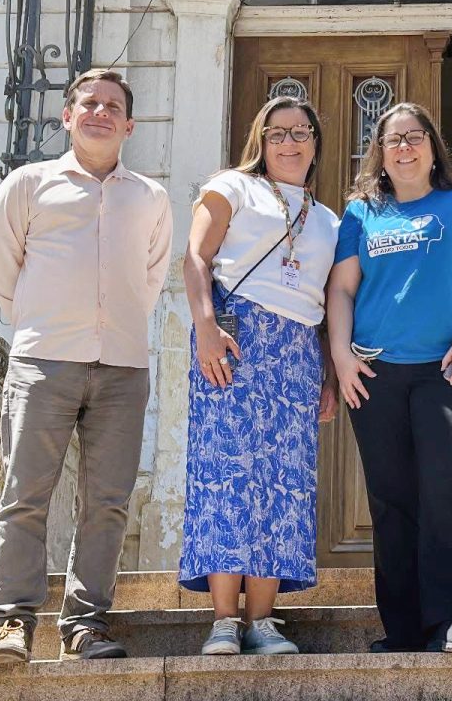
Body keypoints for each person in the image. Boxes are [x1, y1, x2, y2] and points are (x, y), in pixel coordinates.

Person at [0, 69, 173, 664]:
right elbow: (2, 273)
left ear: (129, 125)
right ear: (66, 116)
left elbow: (151, 279)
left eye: (113, 106)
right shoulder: (29, 184)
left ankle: (84, 626)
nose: (100, 112)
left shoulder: (151, 197)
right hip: (43, 360)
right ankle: (11, 622)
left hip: (122, 366)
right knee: (25, 493)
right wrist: (46, 325)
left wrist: (109, 329)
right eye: (88, 103)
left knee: (107, 502)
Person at [328, 102, 452, 653]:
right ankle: (401, 628)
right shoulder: (362, 213)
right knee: (391, 499)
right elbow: (341, 289)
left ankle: (450, 621)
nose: (403, 148)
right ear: (379, 155)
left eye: (414, 138)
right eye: (392, 141)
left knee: (448, 493)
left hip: (448, 371)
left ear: (433, 148)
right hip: (375, 373)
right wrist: (340, 357)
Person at [178, 96, 340, 656]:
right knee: (227, 471)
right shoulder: (231, 187)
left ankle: (264, 620)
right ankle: (225, 620)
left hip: (297, 350)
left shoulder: (328, 220)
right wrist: (204, 328)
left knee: (282, 481)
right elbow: (195, 259)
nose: (289, 143)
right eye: (277, 134)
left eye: (301, 133)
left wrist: (327, 373)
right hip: (234, 337)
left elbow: (325, 301)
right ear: (260, 142)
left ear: (316, 143)